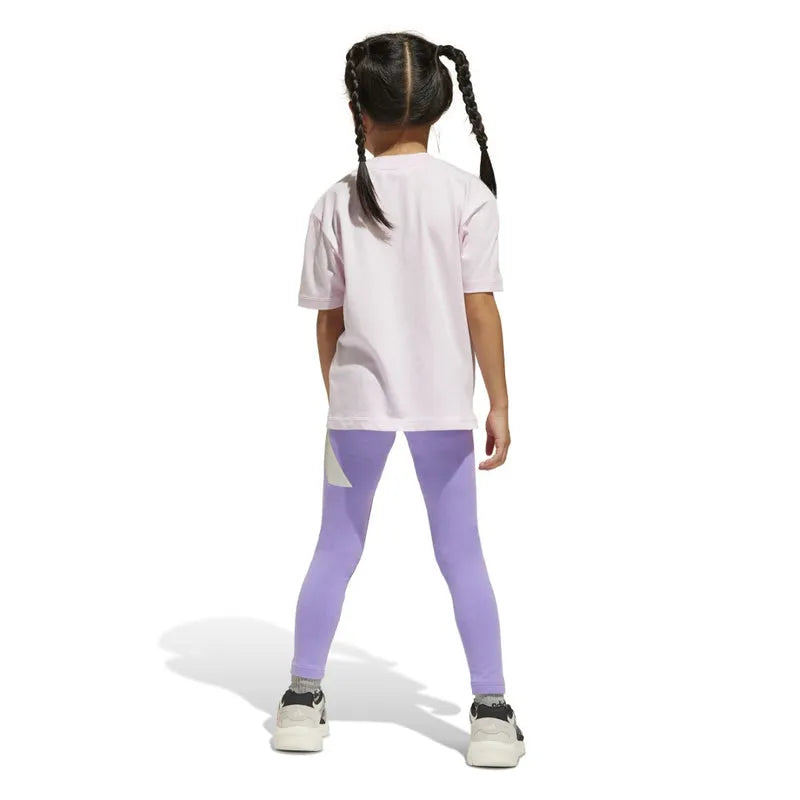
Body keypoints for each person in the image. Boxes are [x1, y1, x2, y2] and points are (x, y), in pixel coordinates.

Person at [273, 31, 524, 768]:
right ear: (440, 106)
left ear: (359, 110)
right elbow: (481, 308)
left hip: (356, 411)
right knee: (463, 554)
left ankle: (302, 699)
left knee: (334, 548)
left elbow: (328, 321)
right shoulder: (468, 196)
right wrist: (499, 403)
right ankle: (491, 713)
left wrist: (342, 397)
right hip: (445, 408)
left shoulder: (336, 201)